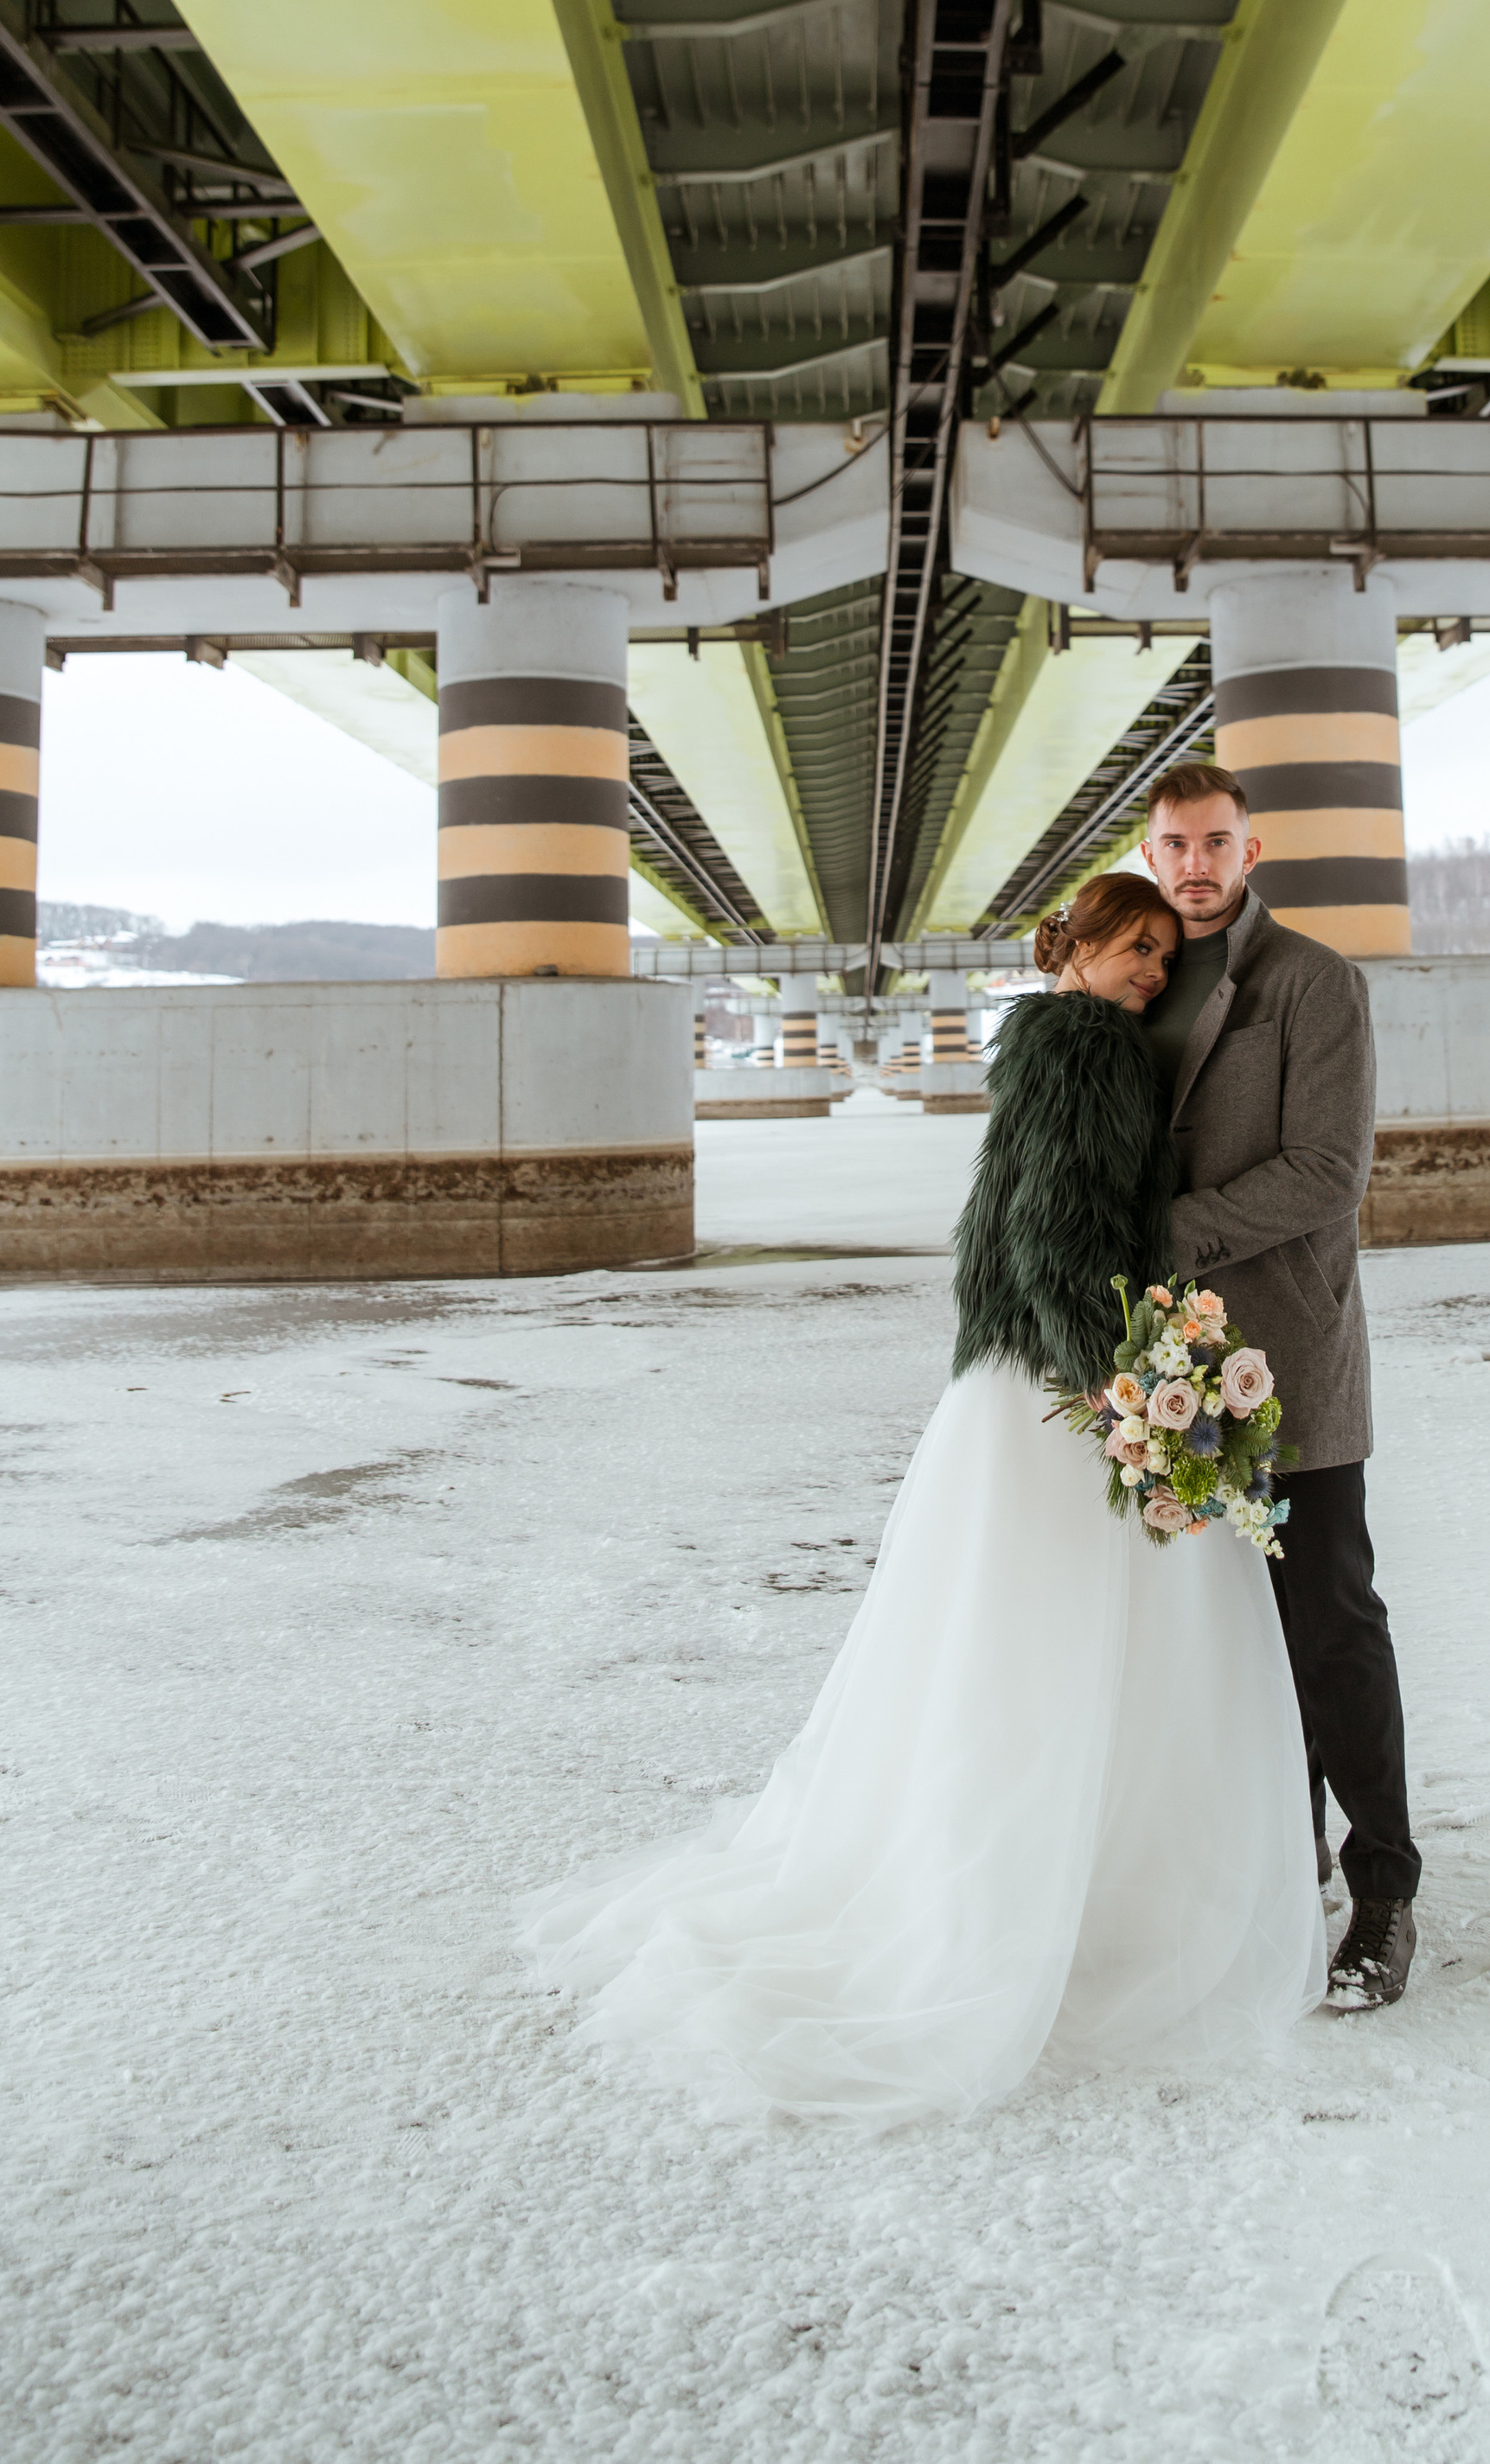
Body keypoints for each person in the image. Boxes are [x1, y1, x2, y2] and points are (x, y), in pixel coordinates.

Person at [518, 869, 1324, 2121]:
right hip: (1064, 1382)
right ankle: (1095, 1897)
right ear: (1087, 947)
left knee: (997, 1657)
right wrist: (1116, 1386)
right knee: (1080, 1648)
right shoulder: (1094, 1055)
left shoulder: (1048, 1045)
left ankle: (1016, 1872)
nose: (1155, 974)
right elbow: (1059, 1240)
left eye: (1167, 958)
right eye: (1139, 950)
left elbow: (1016, 1230)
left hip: (1009, 1389)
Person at [1137, 761, 1423, 2011]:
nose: (1194, 865)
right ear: (1149, 855)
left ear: (1254, 850)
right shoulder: (1136, 981)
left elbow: (1326, 1171)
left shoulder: (1314, 983)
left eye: (1214, 843)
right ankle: (1277, 1864)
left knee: (1330, 1627)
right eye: (1173, 845)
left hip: (1289, 1359)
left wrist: (1167, 1229)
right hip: (1167, 1372)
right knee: (1222, 1639)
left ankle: (1387, 1889)